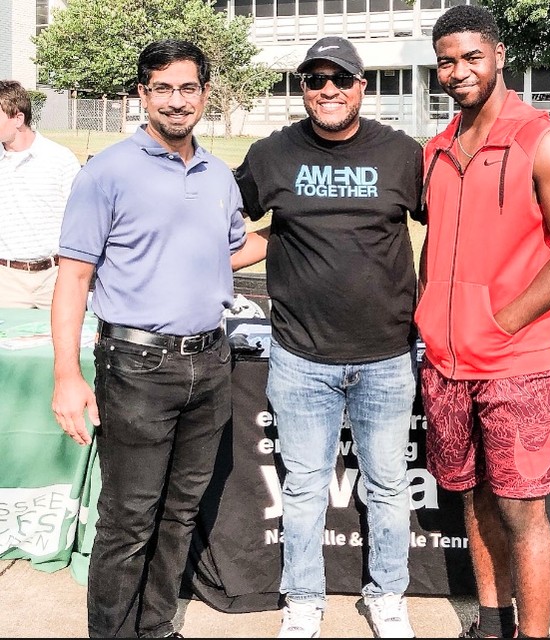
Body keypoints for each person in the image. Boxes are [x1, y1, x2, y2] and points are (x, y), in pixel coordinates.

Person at [51, 39, 247, 638]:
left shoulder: (218, 175)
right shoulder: (107, 171)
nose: (176, 101)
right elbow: (75, 276)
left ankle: (157, 627)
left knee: (180, 514)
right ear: (142, 95)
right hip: (135, 367)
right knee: (128, 520)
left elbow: (234, 248)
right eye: (162, 88)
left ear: (205, 95)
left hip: (210, 364)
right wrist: (67, 375)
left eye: (188, 88)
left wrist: (315, 231)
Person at [414, 6, 550, 639]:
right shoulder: (436, 149)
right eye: (446, 60)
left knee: (524, 512)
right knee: (474, 496)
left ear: (498, 57)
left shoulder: (541, 140)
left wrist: (505, 319)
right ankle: (491, 623)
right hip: (444, 360)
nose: (458, 71)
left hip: (513, 361)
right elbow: (436, 245)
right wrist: (431, 314)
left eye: (471, 57)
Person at [232, 36, 424, 639]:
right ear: (303, 89)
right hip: (300, 356)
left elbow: (450, 231)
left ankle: (388, 596)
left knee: (390, 485)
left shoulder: (402, 155)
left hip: (387, 356)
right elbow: (217, 219)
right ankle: (303, 599)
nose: (328, 90)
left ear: (362, 87)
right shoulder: (271, 154)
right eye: (314, 80)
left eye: (340, 79)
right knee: (305, 486)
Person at [0, 80, 80, 308]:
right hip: (5, 282)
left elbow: (80, 220)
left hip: (54, 279)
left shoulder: (60, 159)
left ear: (18, 118)